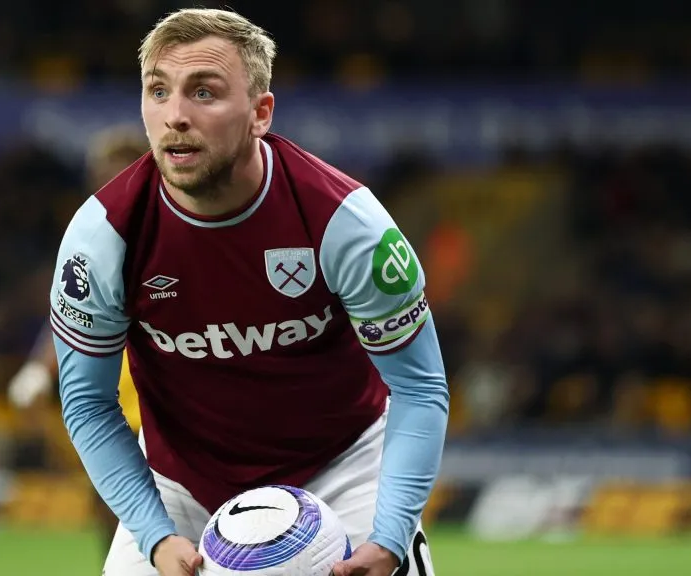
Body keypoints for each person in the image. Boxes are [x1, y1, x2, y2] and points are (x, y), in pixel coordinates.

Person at [50, 8, 449, 576]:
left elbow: (419, 384)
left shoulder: (346, 223)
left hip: (343, 465)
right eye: (158, 91)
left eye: (204, 93)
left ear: (260, 113)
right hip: (180, 484)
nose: (175, 116)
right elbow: (88, 403)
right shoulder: (102, 238)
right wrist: (155, 535)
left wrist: (390, 535)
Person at [7, 125, 148, 543]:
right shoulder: (89, 242)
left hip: (166, 408)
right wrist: (36, 371)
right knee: (110, 516)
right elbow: (69, 314)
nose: (111, 187)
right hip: (109, 408)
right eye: (102, 178)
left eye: (121, 175)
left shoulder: (173, 236)